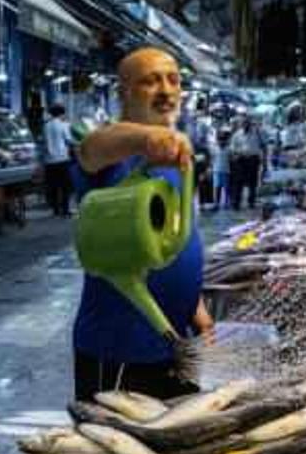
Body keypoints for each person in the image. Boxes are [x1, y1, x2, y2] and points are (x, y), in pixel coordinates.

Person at [71, 47, 214, 402]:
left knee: (176, 448)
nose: (166, 90)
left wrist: (198, 310)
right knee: (119, 453)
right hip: (120, 351)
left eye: (173, 80)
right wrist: (145, 139)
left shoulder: (175, 157)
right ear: (123, 94)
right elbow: (90, 149)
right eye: (150, 82)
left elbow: (175, 237)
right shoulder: (113, 154)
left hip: (176, 345)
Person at [228, 116, 266, 210]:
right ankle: (236, 203)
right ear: (241, 124)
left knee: (253, 182)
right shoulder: (237, 134)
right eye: (244, 123)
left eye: (247, 123)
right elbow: (232, 147)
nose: (245, 125)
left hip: (253, 159)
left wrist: (264, 160)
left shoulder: (257, 133)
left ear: (250, 124)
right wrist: (236, 153)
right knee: (239, 182)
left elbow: (263, 145)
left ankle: (251, 202)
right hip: (241, 160)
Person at [43, 103, 74, 217]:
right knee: (65, 186)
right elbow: (69, 140)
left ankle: (56, 210)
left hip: (49, 160)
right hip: (62, 158)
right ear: (62, 113)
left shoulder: (46, 125)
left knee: (53, 186)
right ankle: (65, 210)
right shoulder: (63, 125)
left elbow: (44, 142)